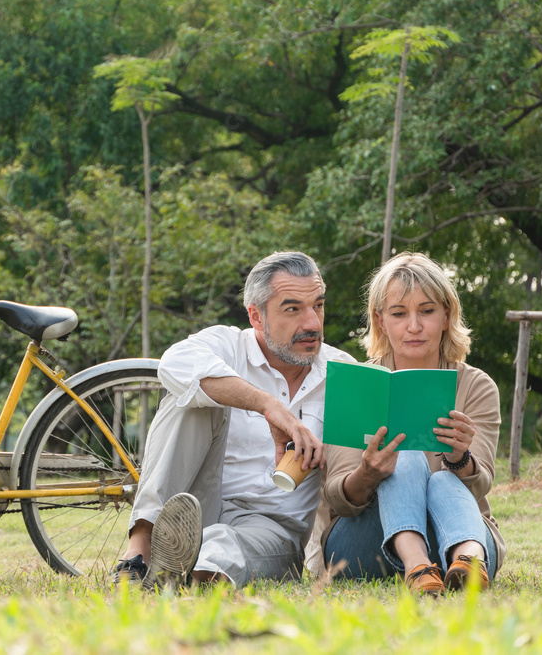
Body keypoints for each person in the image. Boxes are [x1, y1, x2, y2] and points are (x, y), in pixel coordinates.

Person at [112, 251, 355, 589]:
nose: (312, 323)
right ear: (256, 316)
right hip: (196, 505)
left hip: (271, 528)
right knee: (189, 398)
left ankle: (190, 569)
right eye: (293, 309)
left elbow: (352, 472)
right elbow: (173, 364)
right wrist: (267, 405)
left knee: (222, 548)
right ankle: (140, 553)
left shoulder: (344, 375)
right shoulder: (227, 345)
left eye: (318, 306)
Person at [320, 252, 504, 595]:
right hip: (366, 538)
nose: (414, 326)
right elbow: (338, 498)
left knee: (443, 482)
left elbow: (480, 487)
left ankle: (462, 563)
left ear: (447, 316)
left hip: (456, 531)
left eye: (427, 311)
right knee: (404, 457)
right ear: (381, 321)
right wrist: (368, 473)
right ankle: (416, 562)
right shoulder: (357, 386)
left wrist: (459, 458)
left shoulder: (477, 386)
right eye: (399, 313)